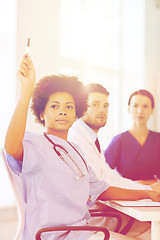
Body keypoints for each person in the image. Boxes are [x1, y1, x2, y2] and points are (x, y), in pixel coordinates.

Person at [5, 55, 160, 240]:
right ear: (41, 113)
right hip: (55, 235)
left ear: (76, 113)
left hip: (83, 231)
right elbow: (12, 146)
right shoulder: (34, 144)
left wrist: (147, 194)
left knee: (150, 232)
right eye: (54, 106)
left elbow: (102, 190)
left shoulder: (75, 151)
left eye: (69, 107)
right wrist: (26, 89)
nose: (63, 111)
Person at [68, 84, 160, 239]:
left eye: (105, 105)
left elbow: (110, 177)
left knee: (152, 228)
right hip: (91, 217)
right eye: (95, 105)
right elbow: (100, 187)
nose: (102, 110)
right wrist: (147, 192)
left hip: (104, 211)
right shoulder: (78, 139)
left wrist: (150, 189)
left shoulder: (91, 139)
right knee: (153, 231)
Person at [104, 89, 160, 184]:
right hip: (128, 196)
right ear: (129, 109)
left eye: (145, 106)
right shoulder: (118, 141)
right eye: (135, 106)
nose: (140, 111)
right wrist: (141, 185)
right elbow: (102, 174)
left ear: (152, 110)